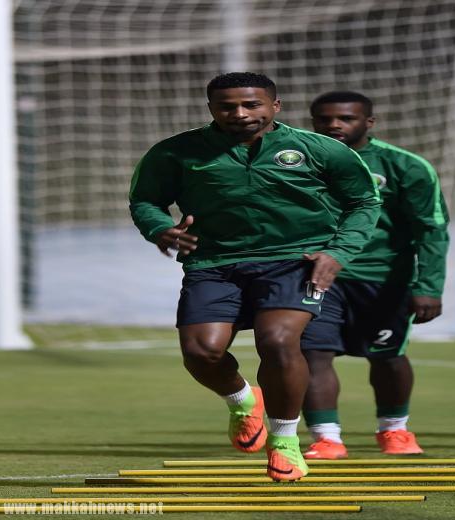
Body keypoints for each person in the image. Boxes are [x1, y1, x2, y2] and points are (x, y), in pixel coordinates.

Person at [129, 73, 381, 480]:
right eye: (227, 106)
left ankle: (284, 442)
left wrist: (338, 252)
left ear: (274, 106)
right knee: (201, 353)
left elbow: (364, 201)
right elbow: (145, 199)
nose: (240, 113)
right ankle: (243, 401)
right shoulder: (175, 152)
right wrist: (159, 227)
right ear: (211, 109)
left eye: (251, 104)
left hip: (294, 260)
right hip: (213, 264)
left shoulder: (320, 149)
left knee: (278, 342)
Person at [299, 91, 449, 459]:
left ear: (369, 122)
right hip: (315, 276)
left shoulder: (405, 166)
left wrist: (429, 286)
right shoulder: (295, 162)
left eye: (346, 118)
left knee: (387, 356)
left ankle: (394, 430)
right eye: (324, 119)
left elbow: (431, 231)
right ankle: (327, 438)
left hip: (383, 279)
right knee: (313, 354)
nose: (334, 125)